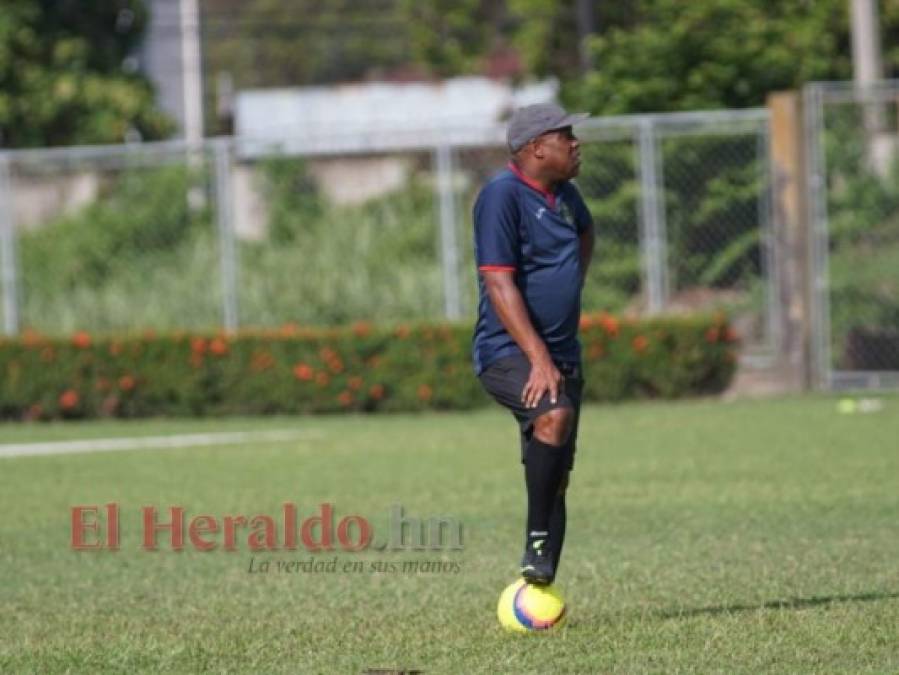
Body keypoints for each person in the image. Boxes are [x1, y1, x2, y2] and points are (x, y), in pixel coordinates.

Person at [472, 102, 595, 585]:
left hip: (564, 354)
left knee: (557, 471)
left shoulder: (565, 194)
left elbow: (586, 234)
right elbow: (499, 284)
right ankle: (536, 543)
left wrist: (571, 281)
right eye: (565, 135)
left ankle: (538, 585)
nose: (575, 143)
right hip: (507, 352)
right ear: (536, 147)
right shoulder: (501, 196)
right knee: (553, 414)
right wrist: (538, 359)